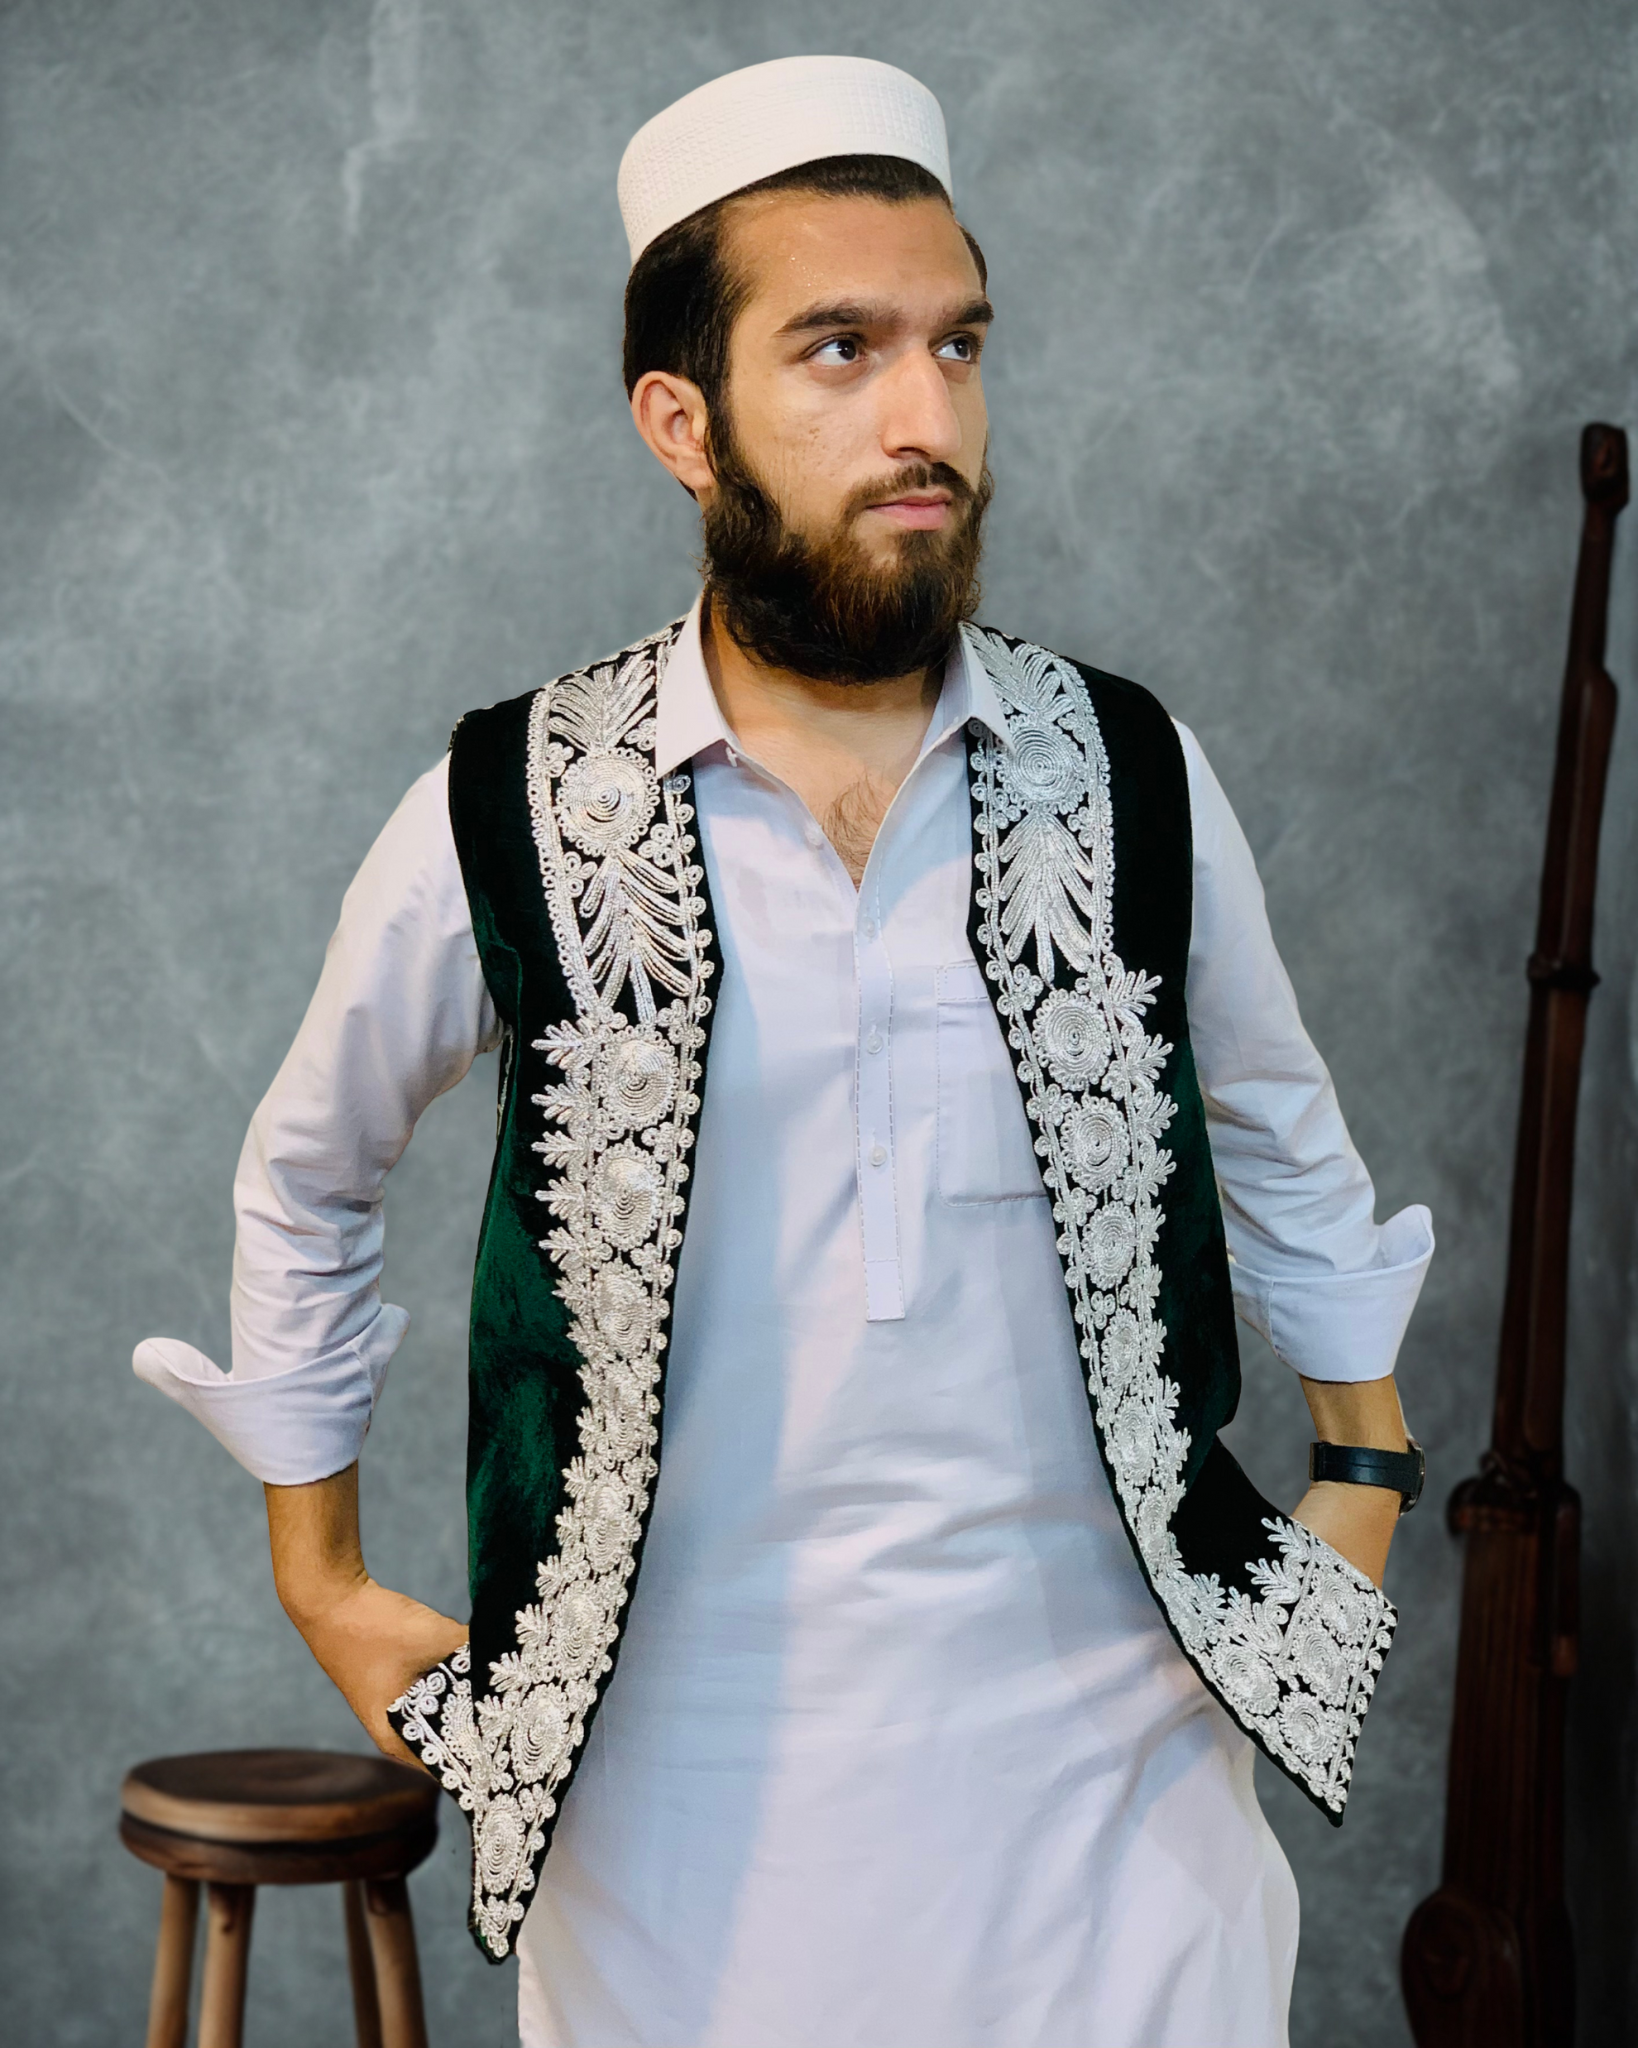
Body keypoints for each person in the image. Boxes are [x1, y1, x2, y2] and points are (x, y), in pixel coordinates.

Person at [136, 54, 1434, 2048]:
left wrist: (1365, 1457)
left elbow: (1280, 1131)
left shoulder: (1130, 773)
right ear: (683, 419)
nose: (929, 420)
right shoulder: (518, 803)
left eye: (958, 347)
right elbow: (308, 1168)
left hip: (1122, 1786)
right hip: (679, 1804)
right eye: (840, 349)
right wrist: (323, 1571)